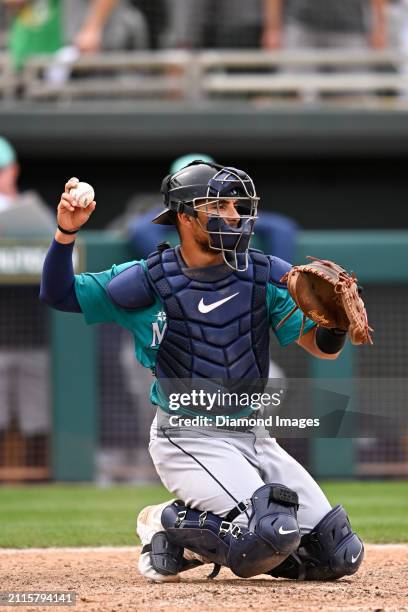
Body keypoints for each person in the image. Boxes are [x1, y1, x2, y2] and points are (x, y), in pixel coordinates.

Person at [40, 163, 364, 583]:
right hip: (187, 437)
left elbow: (320, 348)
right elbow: (58, 293)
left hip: (254, 435)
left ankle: (201, 531)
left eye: (237, 204)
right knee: (268, 535)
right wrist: (65, 233)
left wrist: (335, 325)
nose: (233, 214)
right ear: (184, 216)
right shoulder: (148, 279)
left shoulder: (262, 275)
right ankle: (168, 524)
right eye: (218, 204)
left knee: (337, 554)